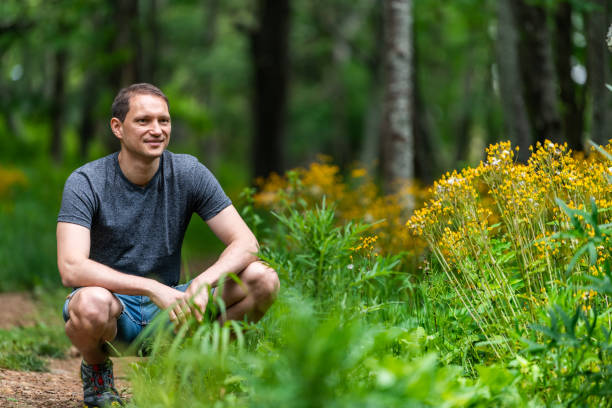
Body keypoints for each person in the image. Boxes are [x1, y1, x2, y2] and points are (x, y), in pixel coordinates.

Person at [56, 83, 279, 407]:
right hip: (115, 309)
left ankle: (190, 364)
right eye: (144, 121)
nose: (157, 130)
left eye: (164, 120)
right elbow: (71, 266)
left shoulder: (188, 172)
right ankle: (97, 371)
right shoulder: (86, 181)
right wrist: (150, 288)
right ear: (117, 127)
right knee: (90, 304)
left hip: (176, 307)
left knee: (263, 280)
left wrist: (202, 284)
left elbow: (246, 242)